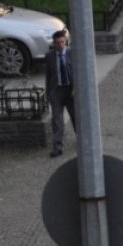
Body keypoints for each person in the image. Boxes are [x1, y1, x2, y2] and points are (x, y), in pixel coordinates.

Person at [45, 29, 75, 158]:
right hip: (56, 91)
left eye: (62, 42)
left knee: (76, 116)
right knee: (57, 120)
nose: (60, 45)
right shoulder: (50, 56)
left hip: (71, 90)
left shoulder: (72, 54)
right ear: (54, 43)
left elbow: (78, 72)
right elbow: (48, 76)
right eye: (57, 43)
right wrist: (48, 93)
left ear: (66, 42)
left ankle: (83, 140)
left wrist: (76, 89)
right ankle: (57, 147)